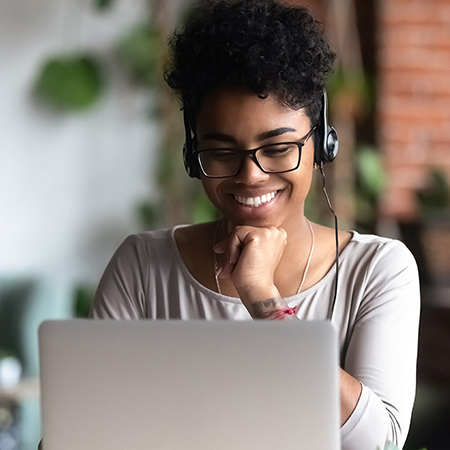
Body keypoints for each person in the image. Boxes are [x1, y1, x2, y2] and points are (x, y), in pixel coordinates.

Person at [92, 1, 420, 449]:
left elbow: (376, 443)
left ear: (321, 142)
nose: (251, 176)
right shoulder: (143, 267)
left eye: (279, 148)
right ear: (194, 155)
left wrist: (262, 297)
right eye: (222, 152)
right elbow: (91, 428)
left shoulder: (378, 270)